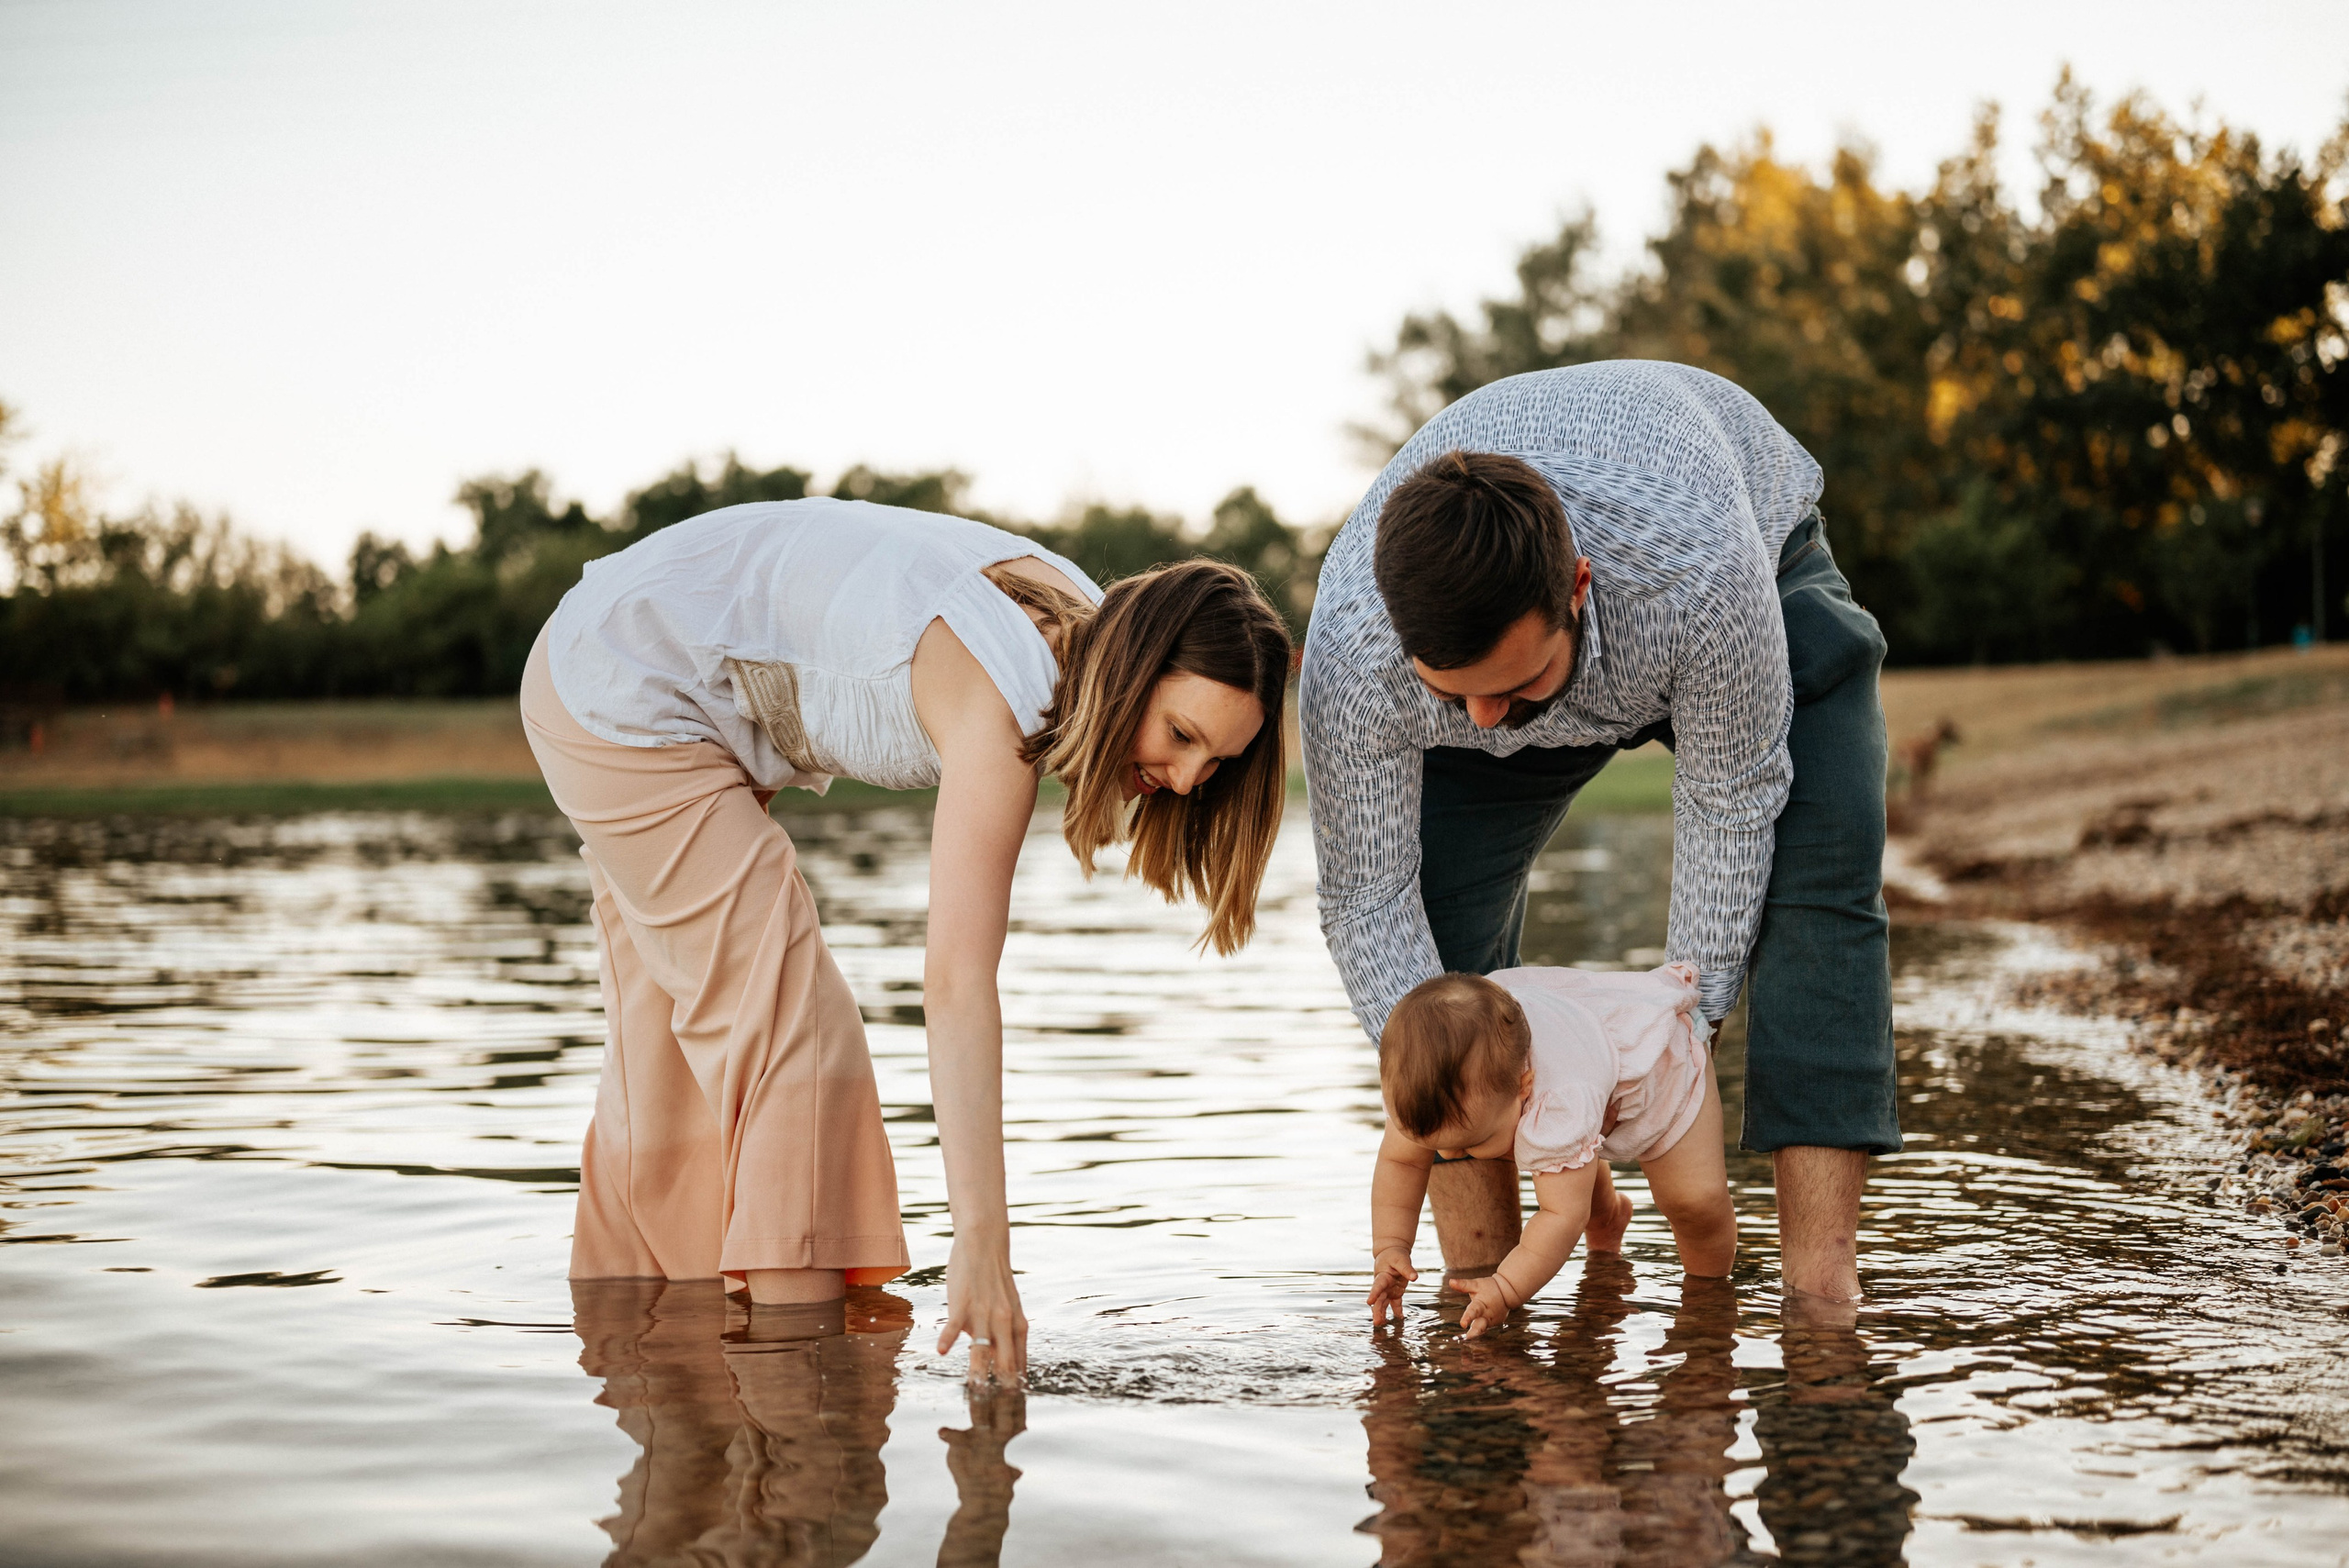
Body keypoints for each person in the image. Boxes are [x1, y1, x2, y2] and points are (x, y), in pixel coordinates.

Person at [523, 496, 1293, 1380]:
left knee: (666, 1062)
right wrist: (983, 1250)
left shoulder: (1082, 624)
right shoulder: (1007, 690)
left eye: (1220, 761)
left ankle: (653, 1362)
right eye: (1182, 735)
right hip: (627, 688)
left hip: (632, 664)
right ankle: (799, 1388)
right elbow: (959, 982)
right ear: (1131, 670)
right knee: (798, 1038)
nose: (1192, 780)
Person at [1302, 360, 1898, 1305]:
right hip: (1522, 646)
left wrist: (1662, 1055)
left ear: (1576, 587)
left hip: (1753, 570)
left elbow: (1731, 798)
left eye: (1513, 681)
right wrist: (1501, 1088)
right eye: (1454, 691)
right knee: (1445, 992)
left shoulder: (1694, 570)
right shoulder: (1354, 651)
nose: (1489, 720)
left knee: (1816, 890)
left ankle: (1821, 1298)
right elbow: (1367, 901)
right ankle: (1476, 1299)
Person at [1366, 963, 1735, 1337]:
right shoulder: (1421, 1087)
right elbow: (1401, 1163)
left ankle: (1709, 1304)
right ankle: (1608, 1218)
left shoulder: (1559, 1098)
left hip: (1656, 1067)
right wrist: (1391, 1247)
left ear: (1524, 1085)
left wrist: (1506, 1288)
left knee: (1693, 1202)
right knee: (1556, 1159)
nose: (1448, 1157)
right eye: (1434, 1148)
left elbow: (1561, 1215)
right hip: (1582, 1052)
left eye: (1470, 1144)